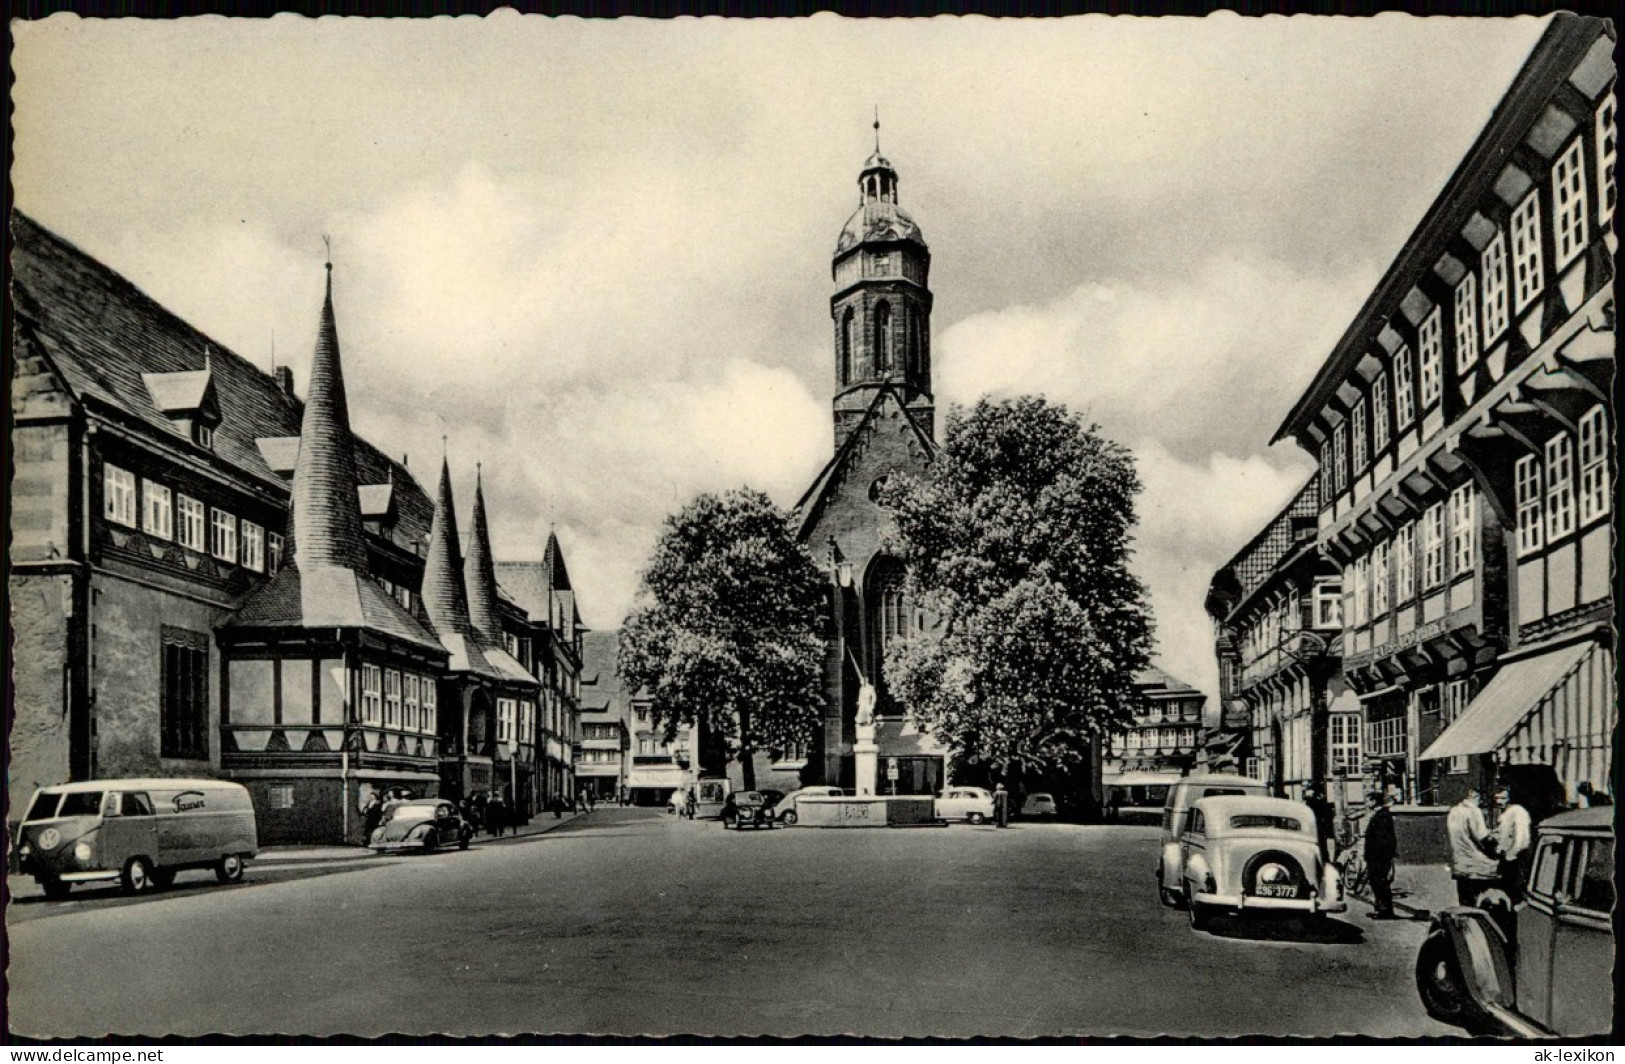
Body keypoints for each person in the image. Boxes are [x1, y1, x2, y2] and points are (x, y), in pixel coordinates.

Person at [1446, 788, 1499, 907]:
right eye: (1480, 798)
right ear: (1474, 796)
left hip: (1459, 863)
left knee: (1464, 902)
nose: (1481, 802)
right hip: (1477, 865)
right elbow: (1483, 837)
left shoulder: (1454, 811)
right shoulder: (1474, 811)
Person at [1491, 783, 1532, 904]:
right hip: (1506, 857)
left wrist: (1511, 854)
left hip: (1515, 858)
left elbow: (1521, 838)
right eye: (1497, 798)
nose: (1499, 801)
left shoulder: (1517, 812)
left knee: (1515, 890)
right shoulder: (1504, 813)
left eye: (1503, 798)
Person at [1363, 791, 1398, 919]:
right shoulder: (1379, 815)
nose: (1366, 803)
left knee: (1380, 882)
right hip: (1376, 856)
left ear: (1374, 802)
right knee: (1376, 882)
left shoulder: (1382, 816)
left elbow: (1383, 839)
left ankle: (1385, 911)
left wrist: (1379, 855)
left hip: (1379, 856)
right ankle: (1379, 908)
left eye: (1368, 801)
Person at [1303, 786, 1336, 860]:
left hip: (1317, 828)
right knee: (1321, 847)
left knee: (1320, 847)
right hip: (1317, 828)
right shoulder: (1318, 803)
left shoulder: (1313, 804)